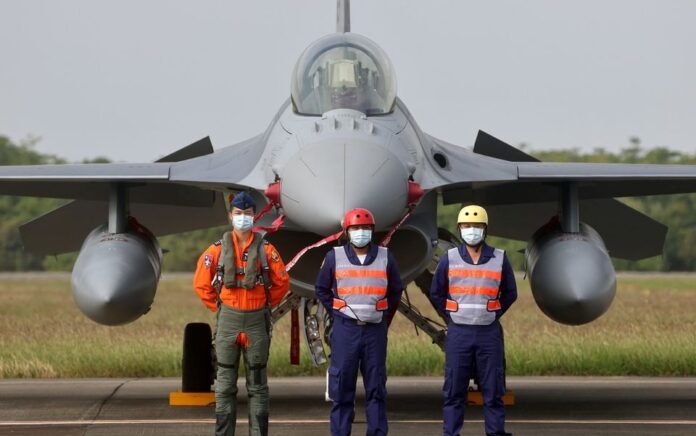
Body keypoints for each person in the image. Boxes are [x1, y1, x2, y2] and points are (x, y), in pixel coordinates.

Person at [193, 191, 290, 436]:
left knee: (258, 387)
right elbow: (201, 283)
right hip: (229, 320)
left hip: (257, 320)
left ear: (254, 216)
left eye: (247, 214)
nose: (243, 218)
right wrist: (221, 308)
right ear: (230, 216)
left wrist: (264, 304)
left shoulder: (267, 250)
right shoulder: (216, 250)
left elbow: (282, 282)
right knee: (224, 385)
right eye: (238, 214)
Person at [429, 205, 517, 436]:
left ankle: (495, 432)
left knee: (493, 389)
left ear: (485, 230)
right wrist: (452, 314)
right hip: (459, 332)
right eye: (467, 226)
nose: (472, 230)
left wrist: (493, 313)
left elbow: (510, 293)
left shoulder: (499, 258)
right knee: (454, 390)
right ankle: (451, 433)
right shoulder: (449, 259)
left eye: (477, 226)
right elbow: (437, 292)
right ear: (460, 229)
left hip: (489, 332)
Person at [315, 208, 404, 436]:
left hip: (375, 331)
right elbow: (322, 289)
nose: (360, 233)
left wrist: (383, 317)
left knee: (376, 389)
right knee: (342, 389)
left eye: (365, 228)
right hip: (346, 331)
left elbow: (395, 290)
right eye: (355, 228)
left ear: (372, 231)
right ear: (347, 231)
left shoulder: (386, 256)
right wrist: (339, 312)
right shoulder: (334, 256)